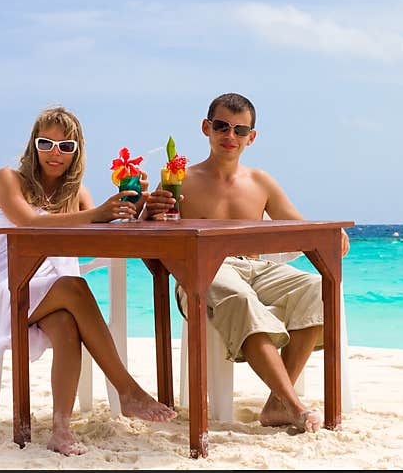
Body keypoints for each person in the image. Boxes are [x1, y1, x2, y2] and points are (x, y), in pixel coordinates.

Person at [0, 105, 176, 456]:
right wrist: (96, 213)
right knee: (74, 285)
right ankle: (127, 391)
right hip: (4, 285)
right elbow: (28, 224)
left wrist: (137, 203)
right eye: (46, 143)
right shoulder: (9, 179)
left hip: (49, 291)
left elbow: (105, 232)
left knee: (68, 322)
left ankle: (61, 430)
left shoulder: (77, 192)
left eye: (66, 147)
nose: (55, 154)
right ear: (33, 146)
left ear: (76, 151)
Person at [143, 92, 349, 433]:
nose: (230, 136)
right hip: (200, 272)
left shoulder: (260, 182)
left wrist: (333, 236)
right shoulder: (180, 180)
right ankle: (295, 405)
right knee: (240, 298)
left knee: (319, 288)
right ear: (206, 128)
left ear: (251, 137)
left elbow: (300, 228)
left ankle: (275, 405)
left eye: (240, 130)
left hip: (257, 269)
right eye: (222, 126)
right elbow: (151, 241)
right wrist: (149, 214)